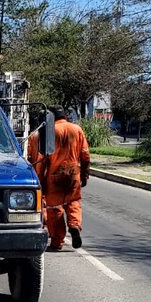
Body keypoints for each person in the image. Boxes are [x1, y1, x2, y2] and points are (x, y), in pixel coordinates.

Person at [26, 107, 90, 251]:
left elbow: (40, 160)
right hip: (73, 173)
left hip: (54, 175)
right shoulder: (77, 129)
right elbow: (85, 155)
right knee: (73, 202)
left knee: (55, 209)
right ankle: (74, 226)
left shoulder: (46, 133)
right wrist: (85, 174)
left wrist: (39, 182)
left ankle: (57, 241)